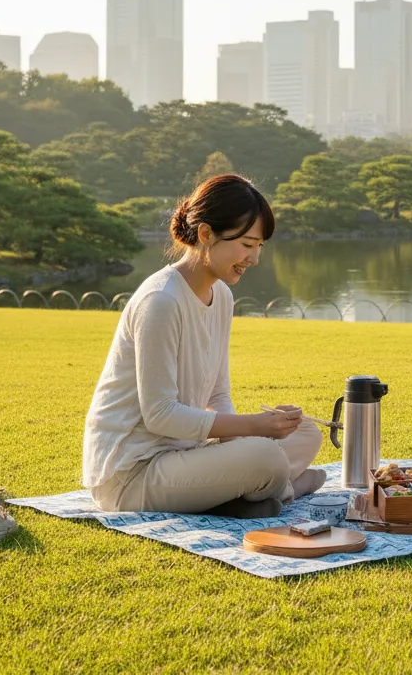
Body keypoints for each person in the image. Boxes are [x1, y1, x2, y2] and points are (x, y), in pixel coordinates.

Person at [83, 173, 325, 518]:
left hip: (187, 453)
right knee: (266, 457)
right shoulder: (161, 300)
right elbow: (160, 415)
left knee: (303, 431)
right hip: (132, 473)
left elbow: (217, 396)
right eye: (246, 244)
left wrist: (251, 437)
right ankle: (286, 488)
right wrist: (255, 430)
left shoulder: (221, 296)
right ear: (206, 234)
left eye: (260, 246)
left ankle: (255, 491)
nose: (254, 258)